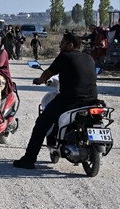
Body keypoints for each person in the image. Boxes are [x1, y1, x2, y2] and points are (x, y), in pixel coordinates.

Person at [13, 32, 98, 170]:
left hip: (70, 100)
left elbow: (49, 72)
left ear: (70, 45)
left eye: (63, 43)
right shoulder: (89, 58)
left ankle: (29, 159)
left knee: (41, 124)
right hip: (92, 100)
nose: (60, 45)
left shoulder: (65, 56)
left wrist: (39, 80)